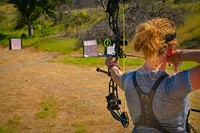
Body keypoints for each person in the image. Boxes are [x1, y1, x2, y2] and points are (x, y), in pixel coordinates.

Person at [105, 18, 200, 133]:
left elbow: (116, 75)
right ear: (171, 49)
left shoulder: (129, 79)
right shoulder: (174, 85)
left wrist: (111, 65)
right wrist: (181, 55)